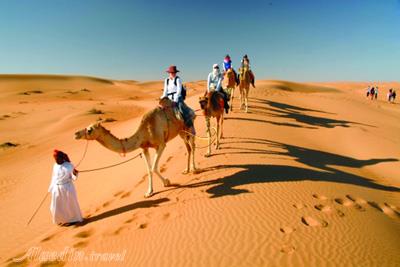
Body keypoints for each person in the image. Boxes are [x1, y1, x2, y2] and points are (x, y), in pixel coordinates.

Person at [48, 150, 83, 226]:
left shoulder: (69, 165)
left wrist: (75, 173)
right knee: (56, 205)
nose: (56, 160)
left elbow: (73, 178)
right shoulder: (55, 165)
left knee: (69, 205)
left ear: (61, 158)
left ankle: (73, 220)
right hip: (57, 188)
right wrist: (51, 188)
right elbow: (54, 177)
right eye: (55, 158)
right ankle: (61, 220)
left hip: (67, 188)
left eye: (57, 158)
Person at [161, 65, 196, 131]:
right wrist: (162, 98)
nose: (173, 74)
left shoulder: (178, 79)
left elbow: (179, 91)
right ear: (169, 73)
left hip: (177, 98)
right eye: (171, 72)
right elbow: (165, 91)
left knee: (181, 109)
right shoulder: (166, 80)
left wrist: (175, 100)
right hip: (169, 98)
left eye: (174, 72)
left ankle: (189, 125)